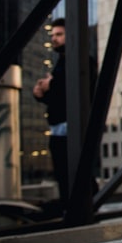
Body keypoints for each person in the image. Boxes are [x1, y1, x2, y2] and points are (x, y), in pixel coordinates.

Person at [33, 17, 97, 208]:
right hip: (59, 128)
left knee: (75, 173)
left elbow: (76, 90)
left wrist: (50, 84)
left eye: (59, 35)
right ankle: (73, 207)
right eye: (53, 35)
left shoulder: (81, 60)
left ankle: (80, 209)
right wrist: (41, 93)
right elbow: (59, 98)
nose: (54, 38)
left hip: (73, 127)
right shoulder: (61, 63)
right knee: (65, 174)